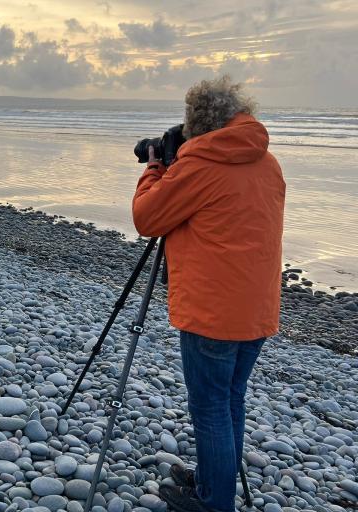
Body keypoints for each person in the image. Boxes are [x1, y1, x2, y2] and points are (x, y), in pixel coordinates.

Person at [131, 76, 285, 512]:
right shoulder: (268, 163)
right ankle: (214, 480)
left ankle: (215, 502)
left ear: (197, 122)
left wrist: (156, 168)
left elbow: (148, 217)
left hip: (213, 312)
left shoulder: (200, 165)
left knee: (211, 407)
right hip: (256, 308)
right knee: (229, 399)